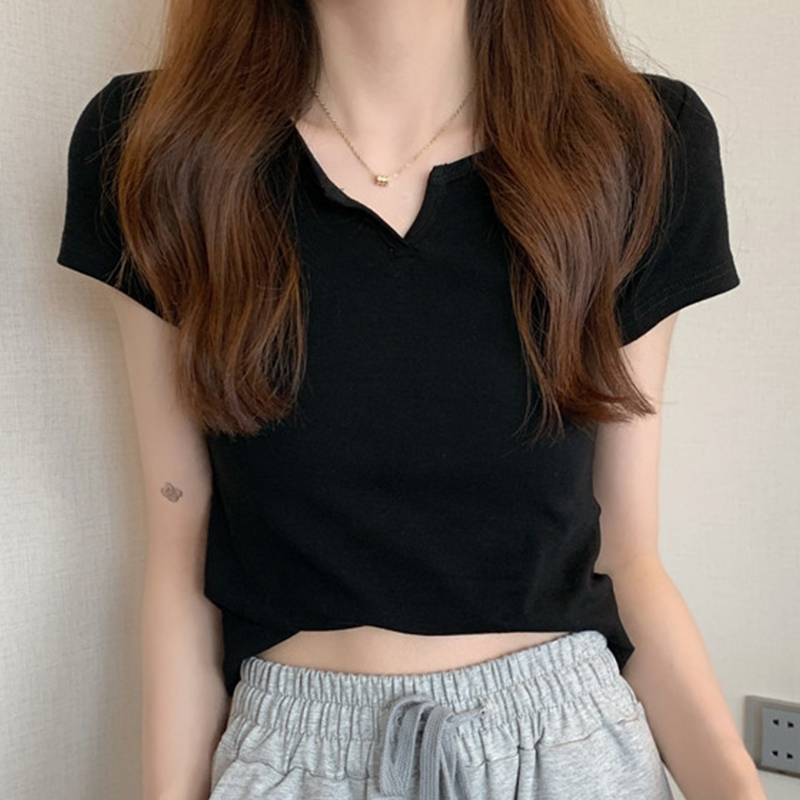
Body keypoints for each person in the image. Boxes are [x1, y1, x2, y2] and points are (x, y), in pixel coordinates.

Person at [56, 0, 766, 799]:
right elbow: (181, 554)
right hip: (296, 762)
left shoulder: (634, 141)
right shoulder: (160, 147)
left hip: (568, 750)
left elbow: (627, 554)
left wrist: (735, 786)